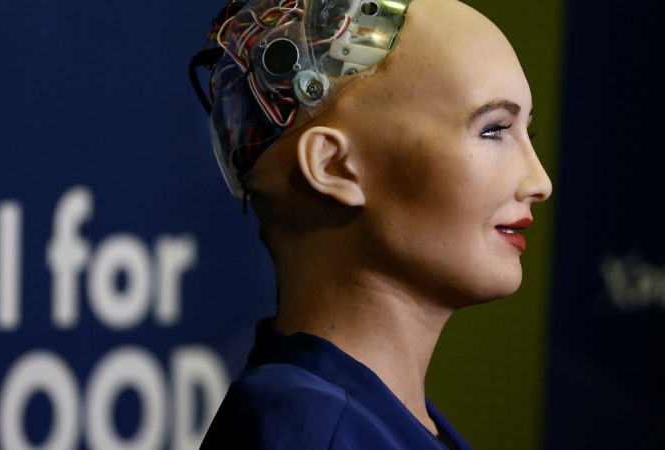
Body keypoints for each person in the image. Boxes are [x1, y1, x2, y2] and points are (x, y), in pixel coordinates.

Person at [190, 0, 552, 448]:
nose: (540, 182)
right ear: (335, 167)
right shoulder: (315, 432)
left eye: (527, 132)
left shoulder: (355, 421)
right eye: (493, 129)